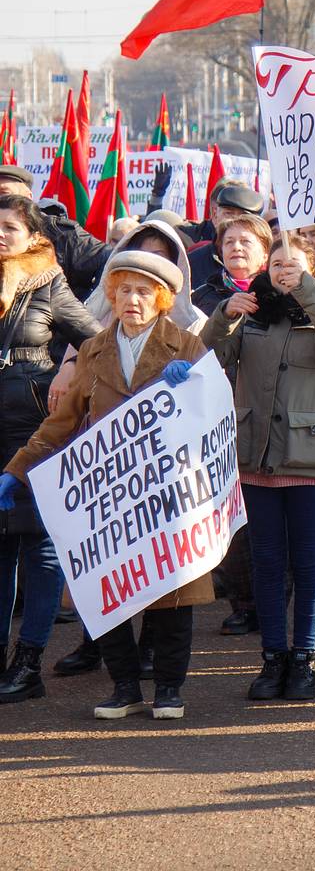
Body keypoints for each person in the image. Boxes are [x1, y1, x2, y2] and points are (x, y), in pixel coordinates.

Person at [0, 252, 208, 719]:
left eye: (143, 291)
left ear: (162, 299)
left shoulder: (187, 348)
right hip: (107, 495)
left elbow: (215, 411)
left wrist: (189, 385)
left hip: (166, 490)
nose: (132, 299)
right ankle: (126, 688)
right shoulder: (93, 351)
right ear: (111, 296)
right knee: (106, 589)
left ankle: (170, 689)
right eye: (123, 290)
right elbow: (61, 422)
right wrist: (16, 470)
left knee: (170, 590)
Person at [47, 216, 206, 679]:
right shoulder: (99, 323)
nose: (144, 273)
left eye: (160, 256)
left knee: (158, 568)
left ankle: (154, 650)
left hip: (161, 474)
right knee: (104, 561)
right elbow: (80, 367)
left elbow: (211, 403)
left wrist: (189, 382)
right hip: (107, 473)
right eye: (141, 252)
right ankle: (100, 651)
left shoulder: (190, 329)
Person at [202, 236, 315, 701]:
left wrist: (308, 288)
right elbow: (207, 357)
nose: (284, 270)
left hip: (311, 457)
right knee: (266, 564)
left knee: (308, 564)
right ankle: (273, 659)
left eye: (294, 264)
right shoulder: (249, 314)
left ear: (310, 270)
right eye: (276, 263)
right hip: (257, 457)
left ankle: (304, 661)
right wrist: (225, 316)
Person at [0, 195, 100, 702]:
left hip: (33, 431)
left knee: (38, 549)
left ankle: (28, 663)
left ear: (33, 236)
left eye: (9, 227)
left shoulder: (49, 283)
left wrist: (66, 370)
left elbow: (97, 343)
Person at [193, 211, 273, 636]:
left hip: (272, 419)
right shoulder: (203, 296)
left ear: (265, 251)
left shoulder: (283, 294)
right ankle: (243, 602)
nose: (237, 248)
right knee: (231, 516)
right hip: (220, 420)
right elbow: (196, 353)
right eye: (229, 243)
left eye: (246, 241)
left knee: (271, 518)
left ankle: (274, 600)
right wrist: (223, 314)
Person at [0, 164, 110, 299]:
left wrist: (89, 302)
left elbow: (109, 259)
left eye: (4, 193)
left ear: (28, 198)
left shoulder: (60, 233)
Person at [185, 182, 270, 293]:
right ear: (215, 215)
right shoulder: (192, 264)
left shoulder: (274, 271)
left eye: (243, 216)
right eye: (228, 214)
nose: (234, 221)